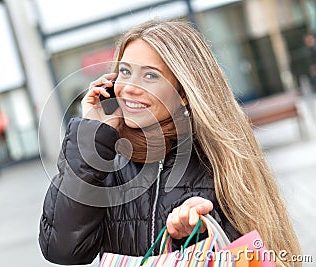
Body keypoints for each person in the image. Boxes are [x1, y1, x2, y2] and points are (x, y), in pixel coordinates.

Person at [39, 19, 301, 267]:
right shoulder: (105, 156)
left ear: (184, 93)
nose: (129, 87)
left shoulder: (221, 156)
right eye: (125, 72)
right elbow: (63, 249)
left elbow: (257, 249)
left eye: (150, 76)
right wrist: (91, 138)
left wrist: (198, 232)